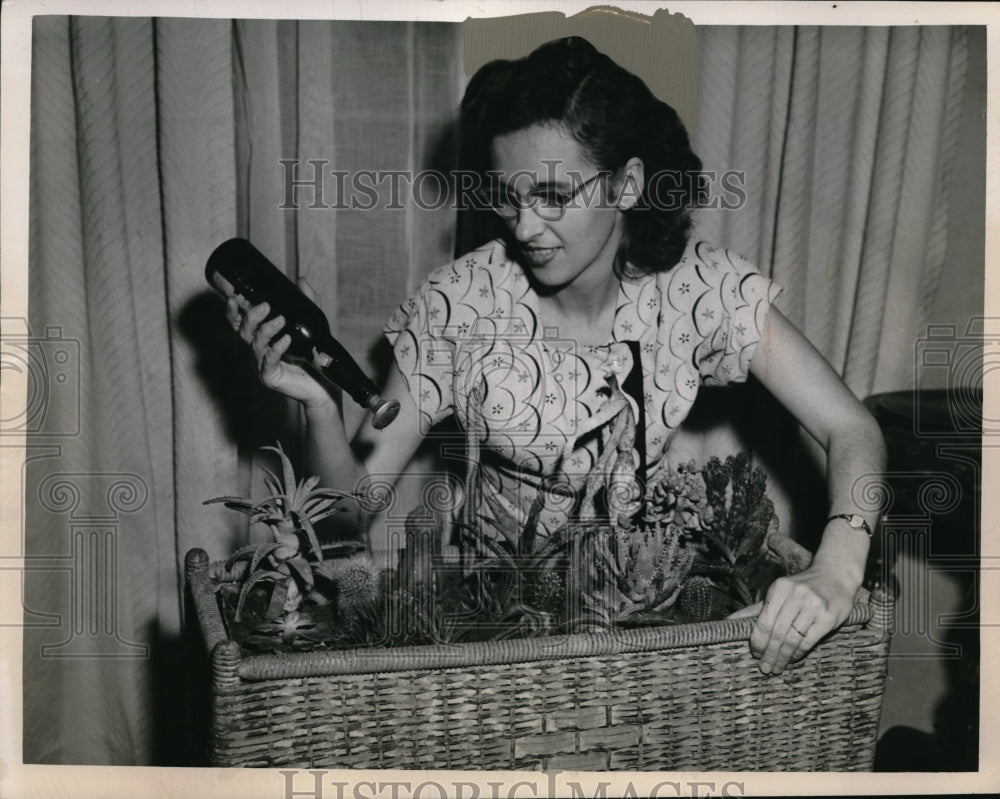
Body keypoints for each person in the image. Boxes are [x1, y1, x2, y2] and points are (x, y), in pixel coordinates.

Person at [224, 36, 886, 675]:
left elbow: (851, 426)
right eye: (508, 196)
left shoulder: (698, 289)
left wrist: (836, 566)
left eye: (553, 197)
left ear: (627, 184)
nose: (523, 227)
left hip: (643, 633)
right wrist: (315, 401)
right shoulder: (463, 302)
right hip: (493, 639)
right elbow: (350, 508)